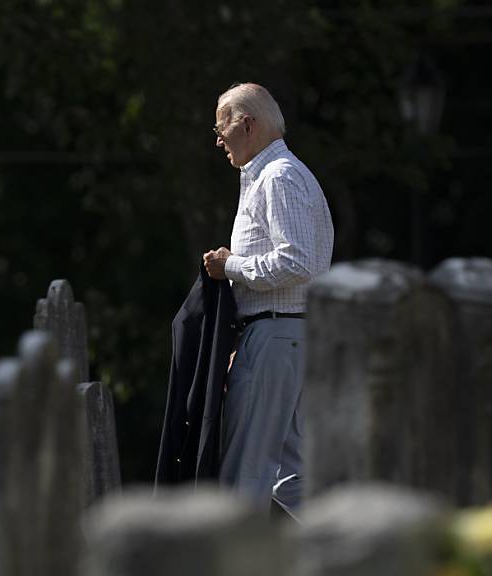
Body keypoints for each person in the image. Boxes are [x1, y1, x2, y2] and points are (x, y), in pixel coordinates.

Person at [202, 83, 334, 513]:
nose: (218, 137)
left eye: (222, 125)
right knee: (294, 480)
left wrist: (230, 266)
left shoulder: (277, 177)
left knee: (247, 475)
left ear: (247, 124)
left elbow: (298, 262)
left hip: (277, 336)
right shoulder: (284, 174)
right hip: (288, 335)